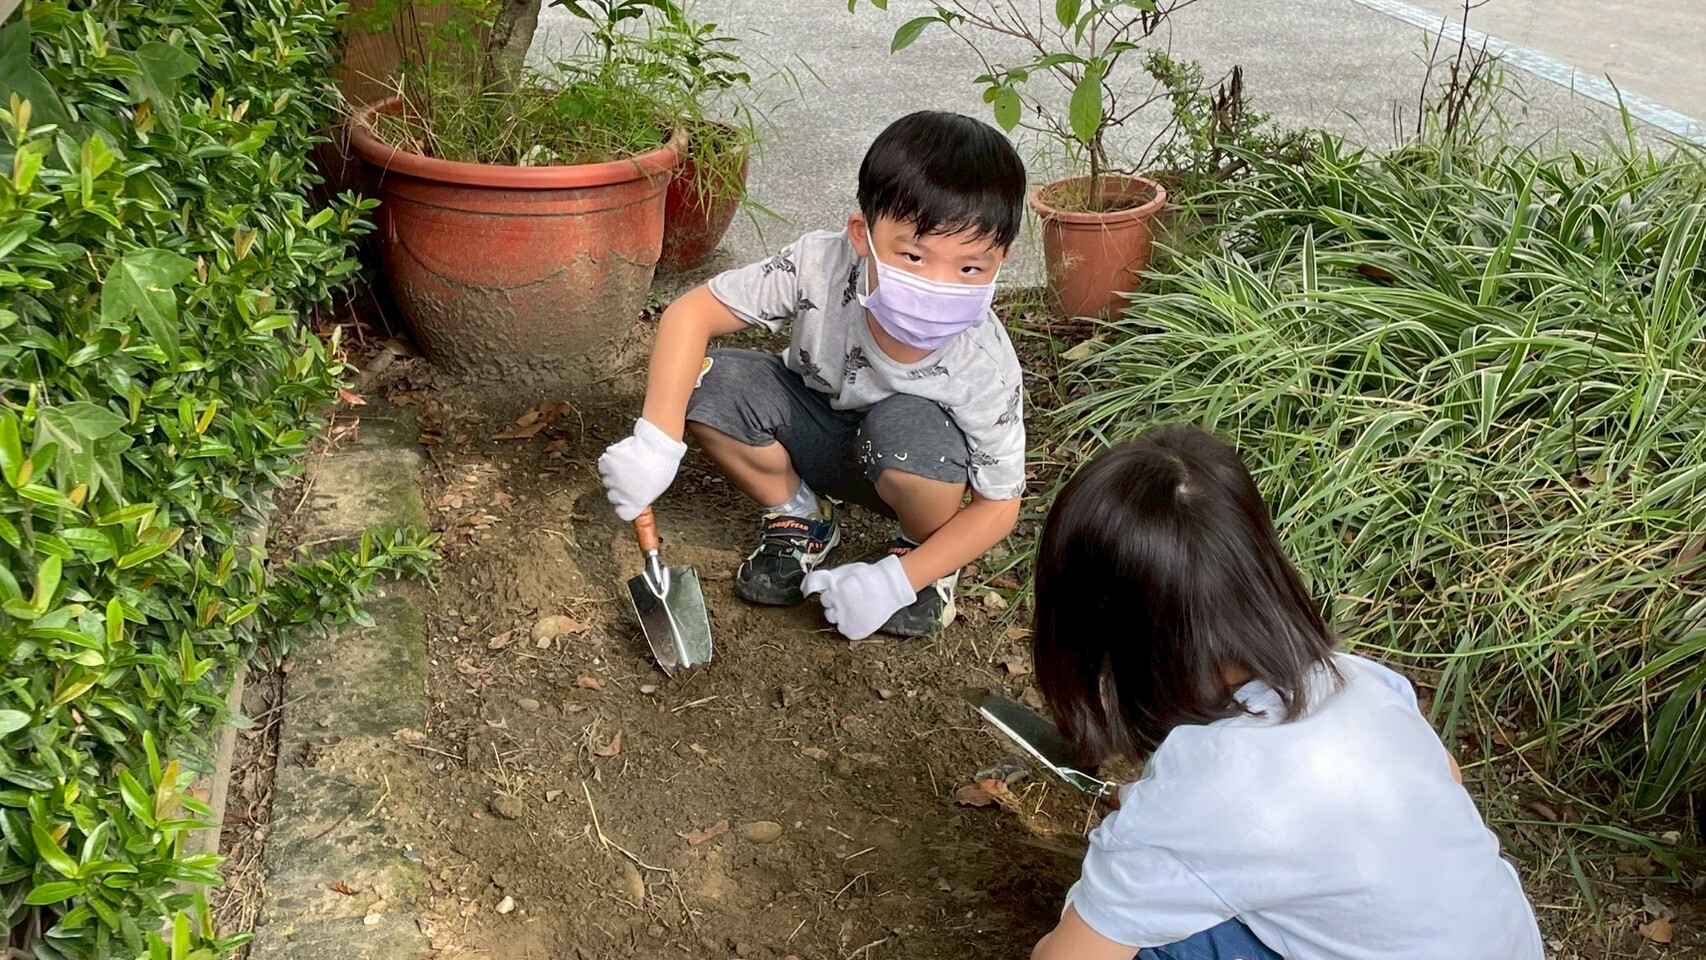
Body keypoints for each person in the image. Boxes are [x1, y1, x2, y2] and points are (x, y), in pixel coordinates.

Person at [1027, 426, 1545, 960]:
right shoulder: (1358, 681)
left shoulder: (1204, 786)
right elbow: (1447, 776)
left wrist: (1113, 874)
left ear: (1106, 632)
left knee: (1150, 939)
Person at [597, 110, 1028, 641]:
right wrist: (656, 440)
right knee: (711, 384)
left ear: (1002, 258)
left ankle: (923, 557)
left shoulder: (983, 362)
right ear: (862, 235)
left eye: (970, 268)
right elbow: (692, 313)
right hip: (814, 431)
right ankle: (801, 514)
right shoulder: (819, 266)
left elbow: (999, 504)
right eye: (913, 256)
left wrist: (894, 583)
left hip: (911, 466)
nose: (939, 285)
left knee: (907, 428)